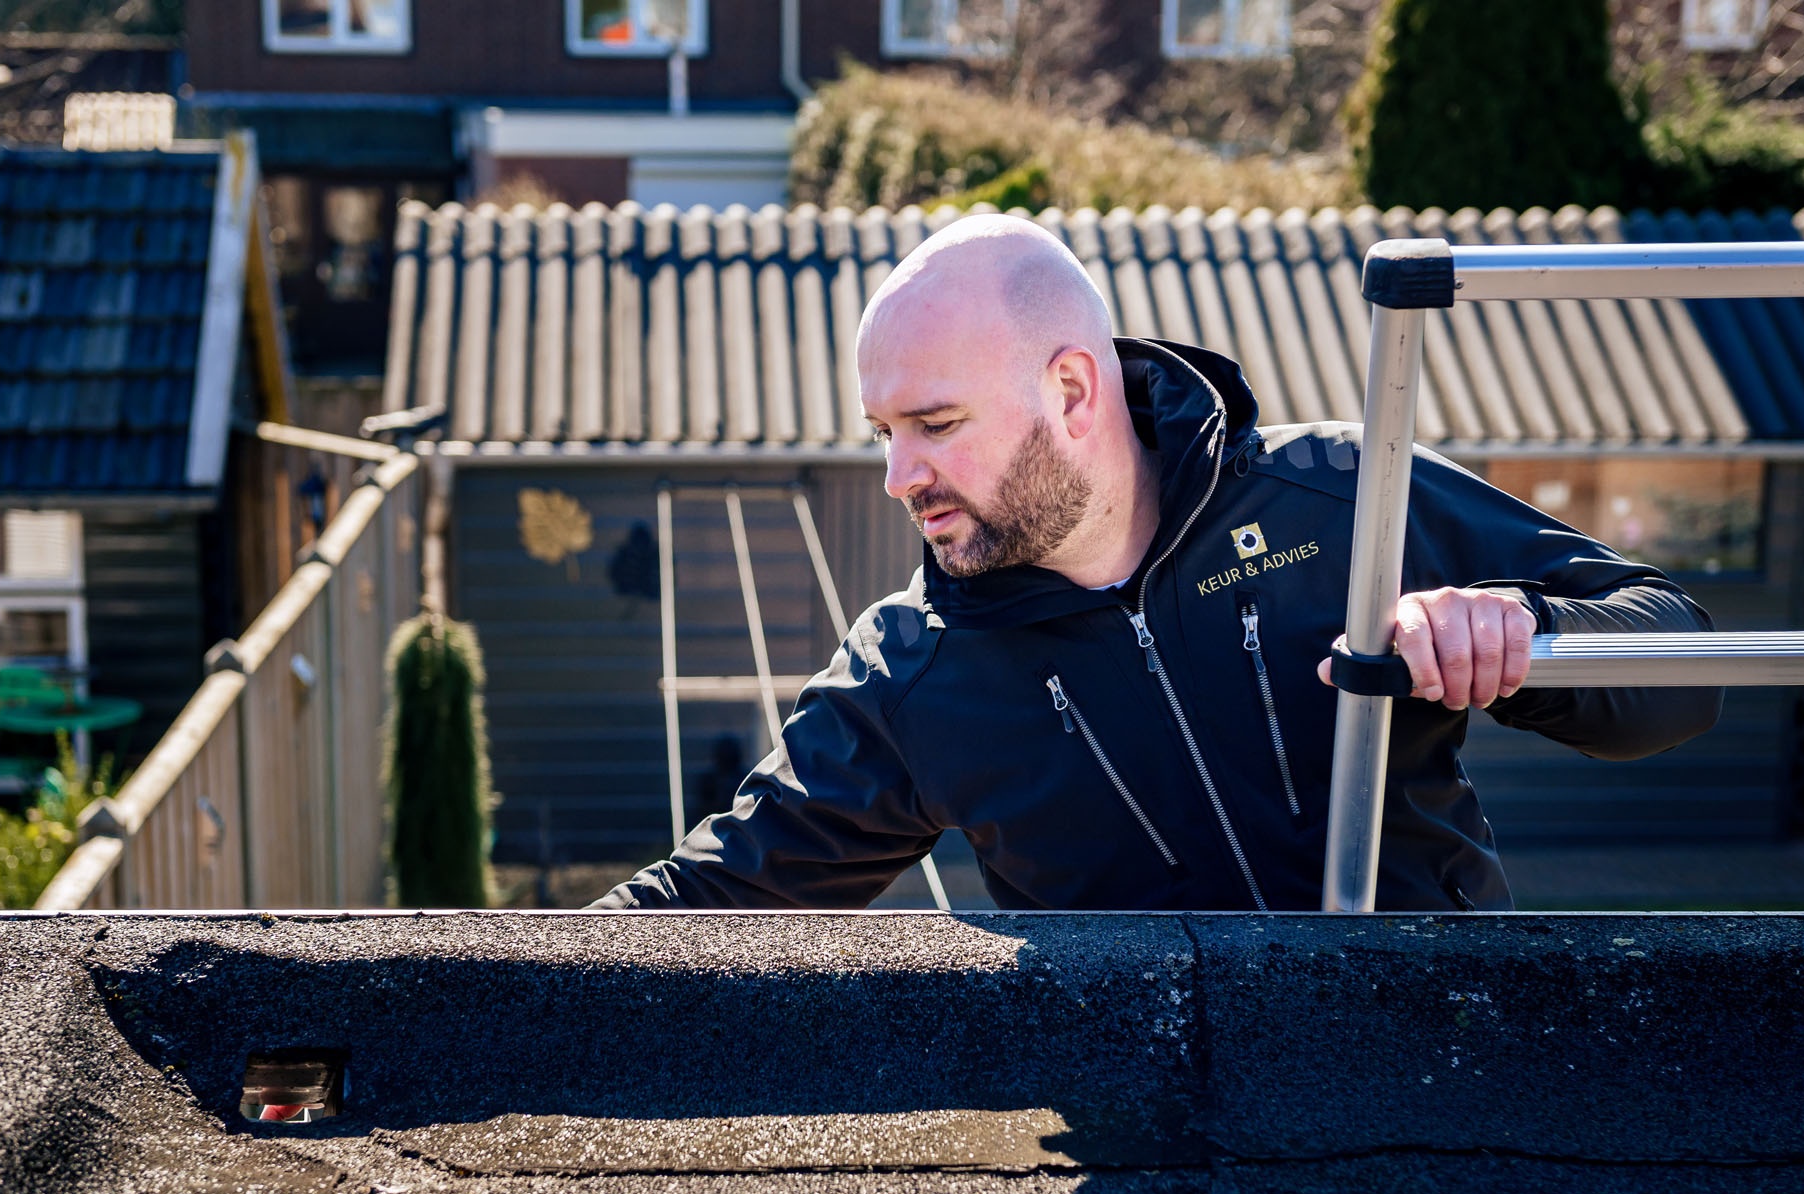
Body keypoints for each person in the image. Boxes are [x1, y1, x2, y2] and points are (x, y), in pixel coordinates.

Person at [592, 215, 1721, 912]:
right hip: (1149, 1168)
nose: (899, 473)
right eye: (880, 431)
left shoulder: (1345, 499)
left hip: (1439, 1081)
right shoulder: (909, 675)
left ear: (1073, 390)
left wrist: (1526, 634)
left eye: (934, 422)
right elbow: (714, 896)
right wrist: (472, 986)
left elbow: (1682, 666)